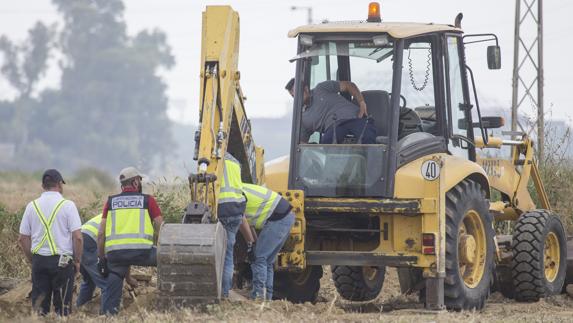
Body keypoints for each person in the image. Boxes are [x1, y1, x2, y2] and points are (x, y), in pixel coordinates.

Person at [97, 167, 163, 315]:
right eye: (139, 181)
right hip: (144, 253)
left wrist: (102, 259)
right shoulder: (148, 200)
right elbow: (161, 227)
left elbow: (101, 234)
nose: (140, 184)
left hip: (116, 255)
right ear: (134, 182)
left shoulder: (111, 202)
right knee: (167, 259)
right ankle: (169, 297)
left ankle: (108, 315)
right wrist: (162, 248)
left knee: (114, 277)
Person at [18, 169, 83, 316]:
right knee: (63, 310)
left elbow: (22, 238)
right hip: (63, 262)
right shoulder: (68, 205)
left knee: (40, 309)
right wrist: (77, 260)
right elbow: (78, 237)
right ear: (59, 184)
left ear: (43, 185)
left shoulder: (31, 206)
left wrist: (32, 260)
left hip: (39, 261)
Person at [241, 183, 295, 300]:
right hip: (287, 216)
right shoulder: (242, 189)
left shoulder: (235, 195)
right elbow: (249, 224)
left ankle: (259, 297)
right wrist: (253, 243)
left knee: (260, 258)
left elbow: (242, 220)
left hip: (278, 218)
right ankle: (267, 298)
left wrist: (250, 245)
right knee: (268, 261)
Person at [76, 214, 137, 313]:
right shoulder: (127, 225)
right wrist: (128, 278)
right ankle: (107, 316)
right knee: (107, 283)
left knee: (89, 280)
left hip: (79, 239)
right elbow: (124, 255)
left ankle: (80, 311)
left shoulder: (116, 212)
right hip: (90, 241)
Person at [285, 78, 377, 144]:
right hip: (334, 127)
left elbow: (349, 85)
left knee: (368, 136)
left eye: (297, 93)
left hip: (355, 118)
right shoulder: (303, 118)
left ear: (305, 88)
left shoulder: (321, 88)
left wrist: (362, 103)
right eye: (293, 96)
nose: (296, 98)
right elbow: (301, 143)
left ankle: (372, 169)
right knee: (327, 144)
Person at [217, 152, 248, 298]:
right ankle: (225, 292)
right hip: (237, 210)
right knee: (228, 253)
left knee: (217, 253)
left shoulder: (215, 160)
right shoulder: (236, 163)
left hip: (221, 210)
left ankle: (217, 290)